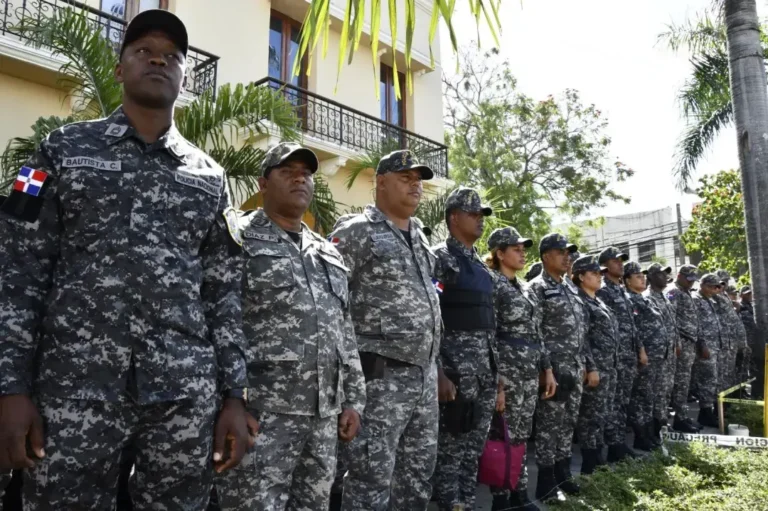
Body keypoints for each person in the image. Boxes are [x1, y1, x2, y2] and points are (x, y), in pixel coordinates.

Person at [0, 10, 251, 509]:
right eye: (143, 51)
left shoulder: (210, 177)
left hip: (183, 395)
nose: (159, 59)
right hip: (73, 387)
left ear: (184, 77)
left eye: (172, 56)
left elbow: (223, 294)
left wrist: (235, 397)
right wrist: (10, 388)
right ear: (119, 69)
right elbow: (17, 271)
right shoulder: (60, 150)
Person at [214, 143, 366, 510]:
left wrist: (353, 401)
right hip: (262, 415)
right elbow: (219, 317)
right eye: (287, 171)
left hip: (322, 417)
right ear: (263, 183)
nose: (300, 177)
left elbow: (344, 331)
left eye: (307, 173)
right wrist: (228, 400)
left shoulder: (327, 251)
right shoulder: (238, 236)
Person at [330, 150, 441, 511]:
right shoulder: (357, 231)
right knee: (370, 479)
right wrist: (347, 384)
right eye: (405, 176)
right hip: (379, 378)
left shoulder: (422, 238)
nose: (415, 184)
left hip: (423, 377)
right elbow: (332, 302)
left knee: (417, 476)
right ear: (380, 182)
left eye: (418, 179)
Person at [430, 187, 498, 511]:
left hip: (484, 370)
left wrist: (496, 374)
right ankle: (449, 505)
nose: (479, 220)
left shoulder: (481, 268)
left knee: (473, 448)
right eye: (473, 214)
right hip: (456, 373)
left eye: (481, 215)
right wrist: (440, 370)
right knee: (451, 449)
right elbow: (430, 314)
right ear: (454, 217)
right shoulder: (439, 259)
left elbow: (489, 322)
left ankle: (466, 504)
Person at [485, 227, 556, 511]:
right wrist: (498, 383)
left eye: (523, 248)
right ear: (499, 253)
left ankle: (520, 492)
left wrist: (547, 369)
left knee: (522, 435)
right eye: (515, 248)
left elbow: (538, 333)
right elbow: (489, 335)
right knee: (502, 435)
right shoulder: (492, 285)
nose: (522, 252)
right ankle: (501, 499)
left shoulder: (525, 289)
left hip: (529, 371)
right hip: (507, 372)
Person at [528, 234, 593, 501]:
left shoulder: (569, 289)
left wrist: (588, 366)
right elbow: (536, 332)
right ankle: (545, 482)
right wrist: (547, 369)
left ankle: (563, 474)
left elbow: (582, 332)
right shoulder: (536, 288)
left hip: (575, 367)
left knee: (567, 424)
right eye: (560, 252)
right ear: (545, 256)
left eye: (568, 253)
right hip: (554, 370)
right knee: (548, 426)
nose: (567, 257)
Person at [573, 255, 618, 475]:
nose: (600, 277)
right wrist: (591, 367)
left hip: (609, 366)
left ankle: (598, 457)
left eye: (601, 273)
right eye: (594, 274)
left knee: (602, 413)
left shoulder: (598, 300)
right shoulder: (580, 302)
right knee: (590, 416)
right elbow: (584, 338)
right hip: (596, 368)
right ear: (581, 276)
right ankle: (589, 463)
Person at [596, 247, 638, 461]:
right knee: (612, 402)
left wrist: (639, 348)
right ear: (604, 265)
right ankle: (614, 444)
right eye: (616, 260)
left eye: (622, 260)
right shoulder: (603, 290)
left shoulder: (620, 289)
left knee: (622, 401)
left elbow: (631, 324)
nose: (621, 264)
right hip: (612, 356)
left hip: (627, 354)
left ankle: (619, 442)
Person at [624, 262, 667, 451]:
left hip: (657, 356)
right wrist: (641, 351)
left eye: (643, 275)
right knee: (641, 397)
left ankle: (649, 433)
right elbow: (634, 331)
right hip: (645, 356)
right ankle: (640, 436)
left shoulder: (645, 299)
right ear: (627, 281)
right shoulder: (629, 300)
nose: (642, 278)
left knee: (650, 396)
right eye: (637, 276)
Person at [644, 263, 680, 438]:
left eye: (666, 274)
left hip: (668, 352)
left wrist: (677, 343)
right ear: (650, 277)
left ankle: (663, 422)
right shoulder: (647, 298)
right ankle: (654, 427)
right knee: (654, 392)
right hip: (654, 354)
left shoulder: (664, 297)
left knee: (666, 390)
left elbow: (672, 324)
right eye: (660, 274)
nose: (665, 277)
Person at [666, 264, 701, 433]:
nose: (691, 283)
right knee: (680, 382)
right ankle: (679, 418)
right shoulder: (674, 292)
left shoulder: (686, 292)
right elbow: (671, 319)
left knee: (684, 382)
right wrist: (677, 341)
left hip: (690, 342)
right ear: (679, 275)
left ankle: (683, 416)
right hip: (682, 343)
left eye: (693, 280)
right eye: (688, 280)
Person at [693, 274, 724, 428]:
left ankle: (708, 411)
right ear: (702, 284)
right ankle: (704, 413)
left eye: (716, 287)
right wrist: (702, 344)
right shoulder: (696, 299)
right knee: (706, 380)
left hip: (715, 346)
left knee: (713, 380)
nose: (714, 289)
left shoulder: (710, 300)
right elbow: (696, 324)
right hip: (706, 347)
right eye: (711, 286)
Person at [740, 286, 758, 385]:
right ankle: (741, 388)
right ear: (741, 295)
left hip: (753, 341)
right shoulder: (739, 307)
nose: (749, 296)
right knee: (743, 365)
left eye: (750, 293)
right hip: (745, 341)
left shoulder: (752, 306)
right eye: (747, 294)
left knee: (752, 365)